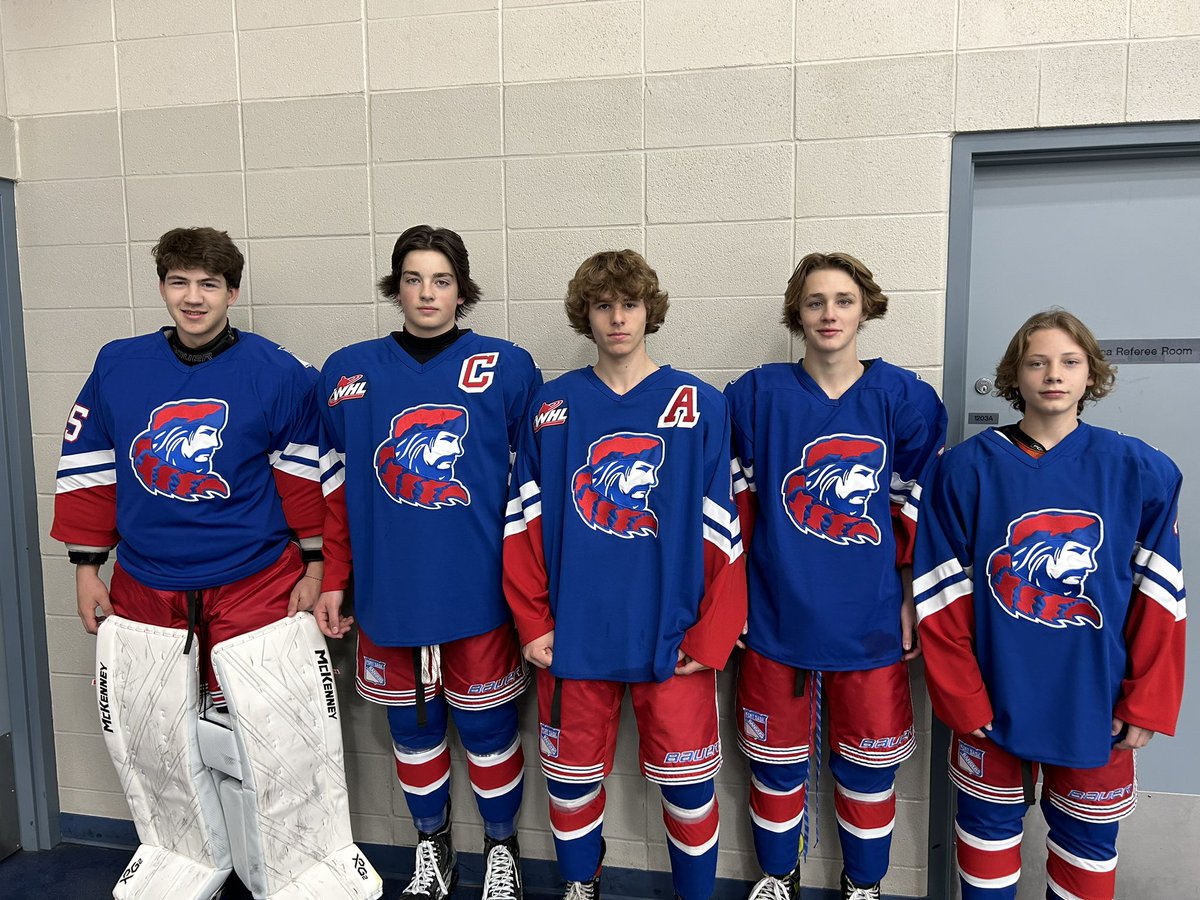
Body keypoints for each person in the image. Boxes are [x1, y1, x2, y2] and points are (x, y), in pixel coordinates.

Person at [52, 227, 379, 899]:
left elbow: (308, 477)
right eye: (179, 282)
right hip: (147, 583)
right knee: (158, 740)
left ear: (231, 291)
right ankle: (184, 857)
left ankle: (299, 868)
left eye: (208, 284)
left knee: (278, 736)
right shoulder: (118, 364)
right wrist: (88, 566)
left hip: (256, 582)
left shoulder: (279, 372)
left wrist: (316, 570)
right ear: (163, 287)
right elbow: (89, 467)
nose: (192, 298)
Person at [914, 309, 1186, 900]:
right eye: (1037, 362)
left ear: (1092, 374)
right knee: (985, 839)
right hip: (994, 696)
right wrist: (961, 697)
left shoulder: (1139, 469)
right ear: (1016, 374)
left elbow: (1161, 599)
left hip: (1096, 702)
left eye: (1069, 362)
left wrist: (1146, 700)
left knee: (1087, 850)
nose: (1053, 375)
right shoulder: (966, 468)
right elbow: (940, 596)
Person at [503, 250, 747, 900]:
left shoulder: (699, 403)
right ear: (586, 314)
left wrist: (712, 634)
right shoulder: (550, 407)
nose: (617, 318)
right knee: (572, 782)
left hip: (673, 638)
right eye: (603, 305)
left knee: (689, 788)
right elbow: (521, 524)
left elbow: (726, 528)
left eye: (629, 303)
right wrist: (532, 620)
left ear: (650, 310)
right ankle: (581, 886)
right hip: (575, 636)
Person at [316, 224, 541, 900]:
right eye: (412, 279)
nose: (426, 293)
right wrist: (334, 579)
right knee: (412, 730)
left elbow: (534, 493)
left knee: (487, 730)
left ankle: (502, 850)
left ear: (461, 289)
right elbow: (335, 493)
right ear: (396, 286)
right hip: (390, 593)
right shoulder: (347, 373)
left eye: (440, 279)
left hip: (480, 595)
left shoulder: (508, 367)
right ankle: (432, 849)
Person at [724, 252, 947, 900]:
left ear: (865, 308)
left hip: (870, 619)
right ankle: (777, 876)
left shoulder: (904, 399)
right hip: (775, 614)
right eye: (816, 300)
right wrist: (728, 601)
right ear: (797, 311)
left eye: (843, 300)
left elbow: (918, 515)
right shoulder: (756, 396)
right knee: (775, 766)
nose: (829, 314)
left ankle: (864, 886)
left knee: (868, 771)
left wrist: (909, 595)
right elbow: (731, 515)